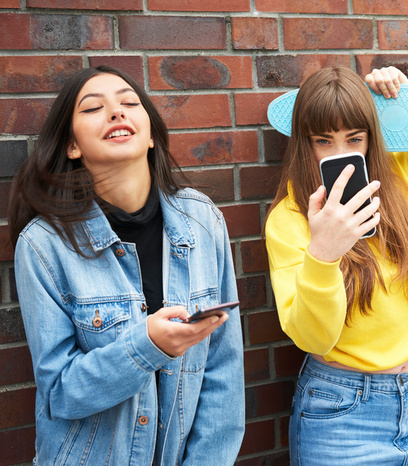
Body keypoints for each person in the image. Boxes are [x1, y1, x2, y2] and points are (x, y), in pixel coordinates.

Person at [9, 66, 244, 465]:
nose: (116, 113)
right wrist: (145, 347)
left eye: (129, 103)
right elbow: (61, 393)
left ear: (150, 133)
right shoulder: (44, 244)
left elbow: (223, 371)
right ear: (72, 147)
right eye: (93, 108)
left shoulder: (202, 220)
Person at [264, 65, 408, 465]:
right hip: (340, 419)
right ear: (304, 143)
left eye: (354, 138)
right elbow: (314, 338)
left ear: (372, 135)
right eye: (323, 140)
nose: (341, 155)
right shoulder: (290, 219)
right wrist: (324, 253)